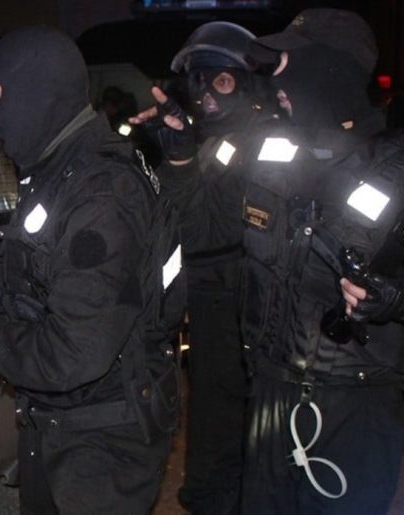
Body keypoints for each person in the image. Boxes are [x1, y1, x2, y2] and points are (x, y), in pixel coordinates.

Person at [141, 8, 404, 514]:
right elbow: (205, 233)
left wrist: (394, 298)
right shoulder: (272, 155)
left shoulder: (395, 167)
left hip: (355, 406)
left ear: (331, 67)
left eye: (286, 62)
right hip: (269, 398)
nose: (275, 78)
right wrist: (179, 159)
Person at [0, 26, 185, 514]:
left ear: (40, 93)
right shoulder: (61, 168)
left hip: (102, 439)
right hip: (64, 421)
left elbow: (75, 352)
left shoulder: (102, 192)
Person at [135, 21, 279, 515]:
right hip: (211, 296)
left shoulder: (263, 141)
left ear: (247, 82)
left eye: (221, 80)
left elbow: (209, 231)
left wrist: (180, 162)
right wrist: (173, 151)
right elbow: (170, 216)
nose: (207, 95)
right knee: (212, 409)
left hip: (240, 298)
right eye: (198, 82)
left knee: (229, 413)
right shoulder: (214, 139)